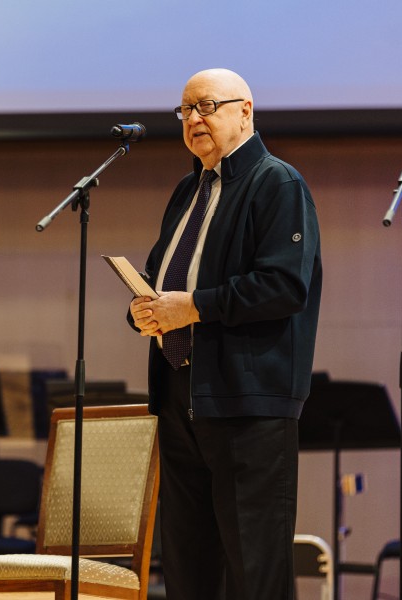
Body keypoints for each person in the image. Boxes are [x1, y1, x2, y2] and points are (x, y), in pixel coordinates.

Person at [128, 68, 322, 599]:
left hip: (246, 404)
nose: (194, 119)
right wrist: (145, 310)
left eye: (207, 106)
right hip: (180, 396)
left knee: (254, 573)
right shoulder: (188, 189)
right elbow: (162, 275)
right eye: (185, 110)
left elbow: (283, 286)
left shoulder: (277, 183)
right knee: (188, 570)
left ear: (245, 111)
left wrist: (191, 307)